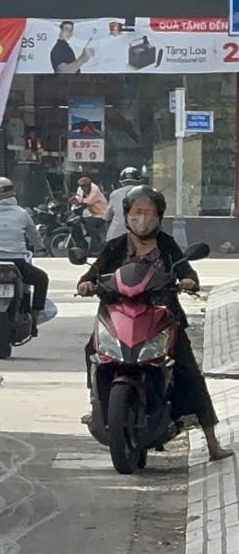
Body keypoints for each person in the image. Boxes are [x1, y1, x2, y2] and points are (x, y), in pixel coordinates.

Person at [77, 186, 232, 459]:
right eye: (137, 212)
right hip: (118, 315)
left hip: (162, 318)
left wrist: (188, 280)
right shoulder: (115, 247)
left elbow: (187, 270)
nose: (143, 218)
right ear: (126, 215)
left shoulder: (167, 245)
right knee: (93, 352)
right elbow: (92, 272)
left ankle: (212, 443)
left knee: (189, 372)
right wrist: (86, 283)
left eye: (149, 213)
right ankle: (98, 406)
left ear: (159, 217)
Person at [0, 176, 50, 317]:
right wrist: (40, 247)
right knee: (42, 279)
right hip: (17, 261)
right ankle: (34, 316)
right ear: (13, 193)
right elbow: (34, 235)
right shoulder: (22, 213)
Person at [105, 166, 147, 243]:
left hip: (115, 236)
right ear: (138, 181)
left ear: (121, 182)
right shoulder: (145, 194)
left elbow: (107, 217)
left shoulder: (114, 194)